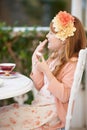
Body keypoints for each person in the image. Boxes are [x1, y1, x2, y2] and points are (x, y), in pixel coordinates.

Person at [0, 11, 86, 130]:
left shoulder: (72, 63)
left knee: (4, 120)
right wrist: (34, 60)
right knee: (3, 112)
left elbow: (65, 96)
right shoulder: (55, 57)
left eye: (51, 33)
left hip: (49, 116)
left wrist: (47, 71)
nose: (47, 36)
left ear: (64, 39)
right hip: (39, 108)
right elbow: (40, 86)